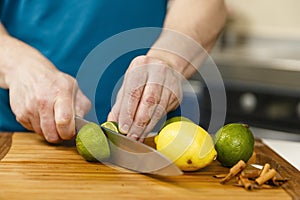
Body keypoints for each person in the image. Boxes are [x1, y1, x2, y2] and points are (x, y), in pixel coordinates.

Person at [0, 0, 227, 143]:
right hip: (13, 138)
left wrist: (168, 58)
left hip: (144, 141)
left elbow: (206, 4)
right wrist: (18, 65)